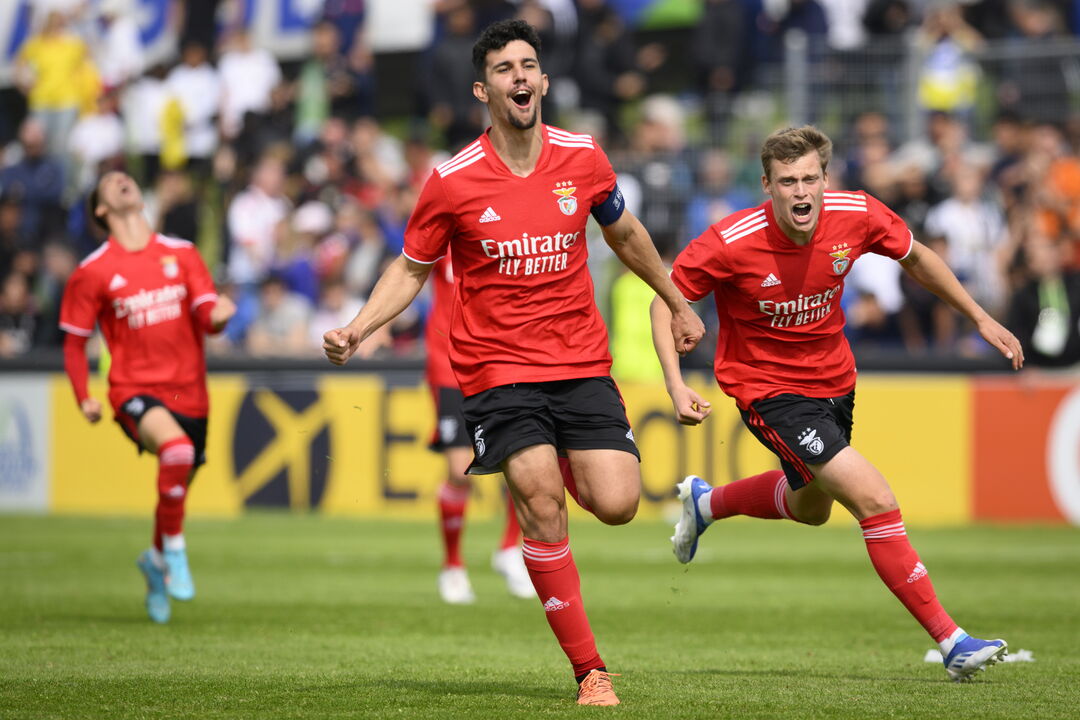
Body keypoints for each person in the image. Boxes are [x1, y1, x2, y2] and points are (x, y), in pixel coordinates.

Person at [324, 19, 703, 706]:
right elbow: (412, 270)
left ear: (545, 81)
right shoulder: (452, 180)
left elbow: (625, 233)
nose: (520, 77)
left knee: (617, 504)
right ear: (482, 89)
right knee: (541, 504)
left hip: (580, 359)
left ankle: (551, 459)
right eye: (505, 69)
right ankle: (591, 671)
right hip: (498, 368)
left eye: (529, 65)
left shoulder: (584, 156)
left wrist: (675, 300)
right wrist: (359, 327)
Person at [650, 126, 1022, 683]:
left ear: (826, 179)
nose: (800, 192)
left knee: (810, 508)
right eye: (787, 182)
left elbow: (916, 258)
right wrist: (676, 385)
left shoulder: (858, 212)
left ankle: (707, 505)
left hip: (835, 382)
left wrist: (979, 316)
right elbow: (665, 301)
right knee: (873, 497)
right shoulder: (731, 240)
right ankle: (952, 640)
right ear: (767, 185)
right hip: (767, 389)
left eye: (809, 179)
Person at [59, 171, 235, 624]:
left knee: (175, 485)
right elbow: (75, 343)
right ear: (100, 209)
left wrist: (220, 316)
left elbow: (205, 312)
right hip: (134, 389)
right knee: (176, 450)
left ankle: (154, 562)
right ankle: (174, 553)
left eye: (126, 176)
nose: (121, 179)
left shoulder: (181, 253)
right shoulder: (92, 271)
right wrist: (83, 398)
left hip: (191, 392)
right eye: (109, 180)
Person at [425, 253, 534, 604]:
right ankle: (453, 565)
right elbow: (408, 268)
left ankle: (508, 548)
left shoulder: (501, 226)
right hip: (449, 363)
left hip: (500, 360)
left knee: (526, 457)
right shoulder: (443, 229)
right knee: (459, 472)